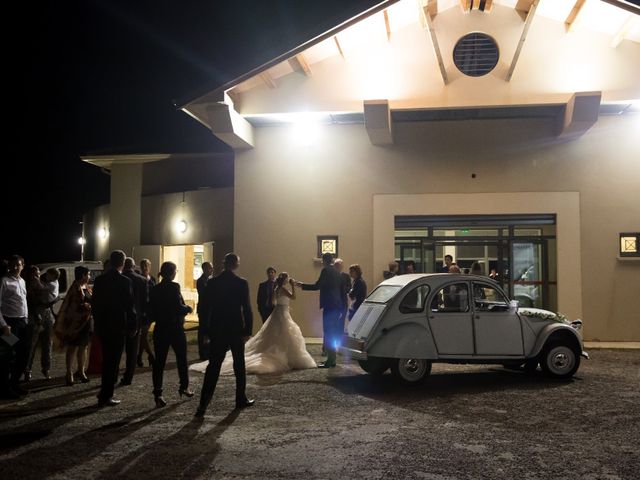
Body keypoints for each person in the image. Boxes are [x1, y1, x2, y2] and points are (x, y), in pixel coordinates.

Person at [191, 272, 316, 376]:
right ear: (285, 280)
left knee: (275, 333)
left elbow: (272, 302)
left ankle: (279, 352)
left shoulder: (276, 289)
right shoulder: (283, 289)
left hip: (277, 311)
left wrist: (281, 304)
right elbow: (293, 297)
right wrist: (293, 287)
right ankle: (285, 355)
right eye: (288, 279)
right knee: (286, 332)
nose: (289, 280)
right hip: (283, 312)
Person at [196, 253, 254, 417]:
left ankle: (203, 404)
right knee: (239, 365)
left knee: (213, 366)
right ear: (235, 264)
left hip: (218, 329)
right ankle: (240, 398)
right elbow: (247, 309)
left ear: (224, 264)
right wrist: (247, 330)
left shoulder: (213, 283)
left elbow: (205, 307)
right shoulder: (241, 283)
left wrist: (206, 330)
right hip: (235, 328)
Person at [92, 250, 136, 407]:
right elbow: (129, 306)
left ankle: (104, 392)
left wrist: (97, 324)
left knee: (107, 360)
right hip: (118, 327)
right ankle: (106, 395)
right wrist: (132, 325)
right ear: (123, 263)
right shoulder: (124, 281)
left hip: (104, 326)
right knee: (114, 362)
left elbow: (95, 305)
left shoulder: (100, 280)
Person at [149, 261, 193, 408]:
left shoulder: (155, 289)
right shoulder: (174, 287)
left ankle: (158, 393)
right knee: (181, 357)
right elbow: (177, 306)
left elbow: (152, 309)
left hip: (160, 328)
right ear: (172, 272)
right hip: (174, 327)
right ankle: (184, 386)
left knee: (159, 362)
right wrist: (187, 308)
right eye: (175, 271)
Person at [298, 252, 342, 368]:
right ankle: (332, 359)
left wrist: (302, 285)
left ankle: (331, 360)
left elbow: (317, 286)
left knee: (328, 332)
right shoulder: (338, 272)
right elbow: (342, 291)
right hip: (337, 306)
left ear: (324, 260)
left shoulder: (326, 271)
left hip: (329, 305)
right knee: (331, 332)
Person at [54, 266, 93, 385]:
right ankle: (69, 373)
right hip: (75, 324)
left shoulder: (86, 287)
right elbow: (73, 307)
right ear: (83, 275)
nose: (89, 277)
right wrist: (86, 306)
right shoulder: (74, 288)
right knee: (73, 348)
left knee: (83, 347)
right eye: (88, 274)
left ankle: (81, 371)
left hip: (86, 323)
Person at [0, 255, 29, 398]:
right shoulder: (4, 281)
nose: (16, 267)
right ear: (9, 266)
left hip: (22, 324)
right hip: (10, 325)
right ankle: (5, 389)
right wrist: (4, 325)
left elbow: (23, 302)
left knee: (23, 355)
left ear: (23, 266)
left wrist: (27, 318)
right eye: (13, 265)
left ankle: (14, 383)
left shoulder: (22, 281)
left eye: (19, 264)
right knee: (8, 356)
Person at [24, 266, 59, 381]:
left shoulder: (43, 284)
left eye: (38, 274)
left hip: (47, 315)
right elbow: (29, 302)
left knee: (47, 344)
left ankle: (46, 369)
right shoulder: (26, 285)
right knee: (31, 345)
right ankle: (27, 370)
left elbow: (50, 297)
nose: (37, 276)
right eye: (34, 274)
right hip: (34, 316)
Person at [120, 257, 148, 386]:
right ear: (133, 266)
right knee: (132, 351)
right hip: (135, 320)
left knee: (117, 349)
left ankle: (113, 375)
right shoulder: (142, 280)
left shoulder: (119, 279)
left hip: (119, 318)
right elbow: (145, 303)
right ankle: (128, 377)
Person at [136, 258, 156, 367]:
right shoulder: (138, 278)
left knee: (143, 334)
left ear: (149, 267)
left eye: (146, 266)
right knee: (143, 334)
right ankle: (150, 355)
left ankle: (139, 357)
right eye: (142, 265)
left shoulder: (152, 279)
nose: (144, 268)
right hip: (141, 310)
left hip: (149, 311)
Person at [196, 261, 214, 360]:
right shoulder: (201, 281)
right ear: (205, 269)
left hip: (210, 309)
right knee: (203, 330)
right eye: (210, 268)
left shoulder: (209, 280)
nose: (212, 269)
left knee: (208, 330)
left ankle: (207, 350)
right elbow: (204, 295)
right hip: (204, 309)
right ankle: (202, 352)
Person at [334, 259, 351, 337]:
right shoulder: (332, 275)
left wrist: (344, 288)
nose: (337, 267)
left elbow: (349, 288)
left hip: (343, 301)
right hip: (334, 302)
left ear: (342, 266)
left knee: (342, 320)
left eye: (339, 265)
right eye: (336, 265)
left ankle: (340, 336)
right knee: (334, 320)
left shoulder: (346, 276)